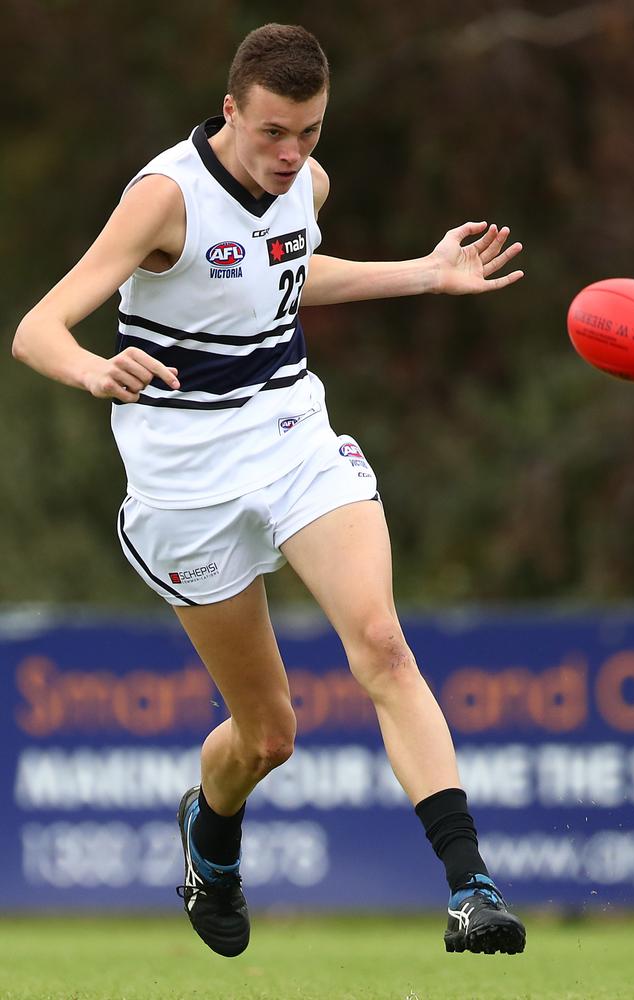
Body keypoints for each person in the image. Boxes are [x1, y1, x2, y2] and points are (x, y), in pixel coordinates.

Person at [13, 23, 526, 958]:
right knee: (268, 735)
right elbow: (38, 325)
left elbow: (285, 275)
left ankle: (470, 889)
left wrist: (426, 273)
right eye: (274, 133)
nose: (293, 156)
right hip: (183, 479)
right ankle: (210, 836)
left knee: (381, 641)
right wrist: (94, 373)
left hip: (290, 434)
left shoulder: (307, 186)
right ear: (231, 113)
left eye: (312, 133)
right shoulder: (165, 198)